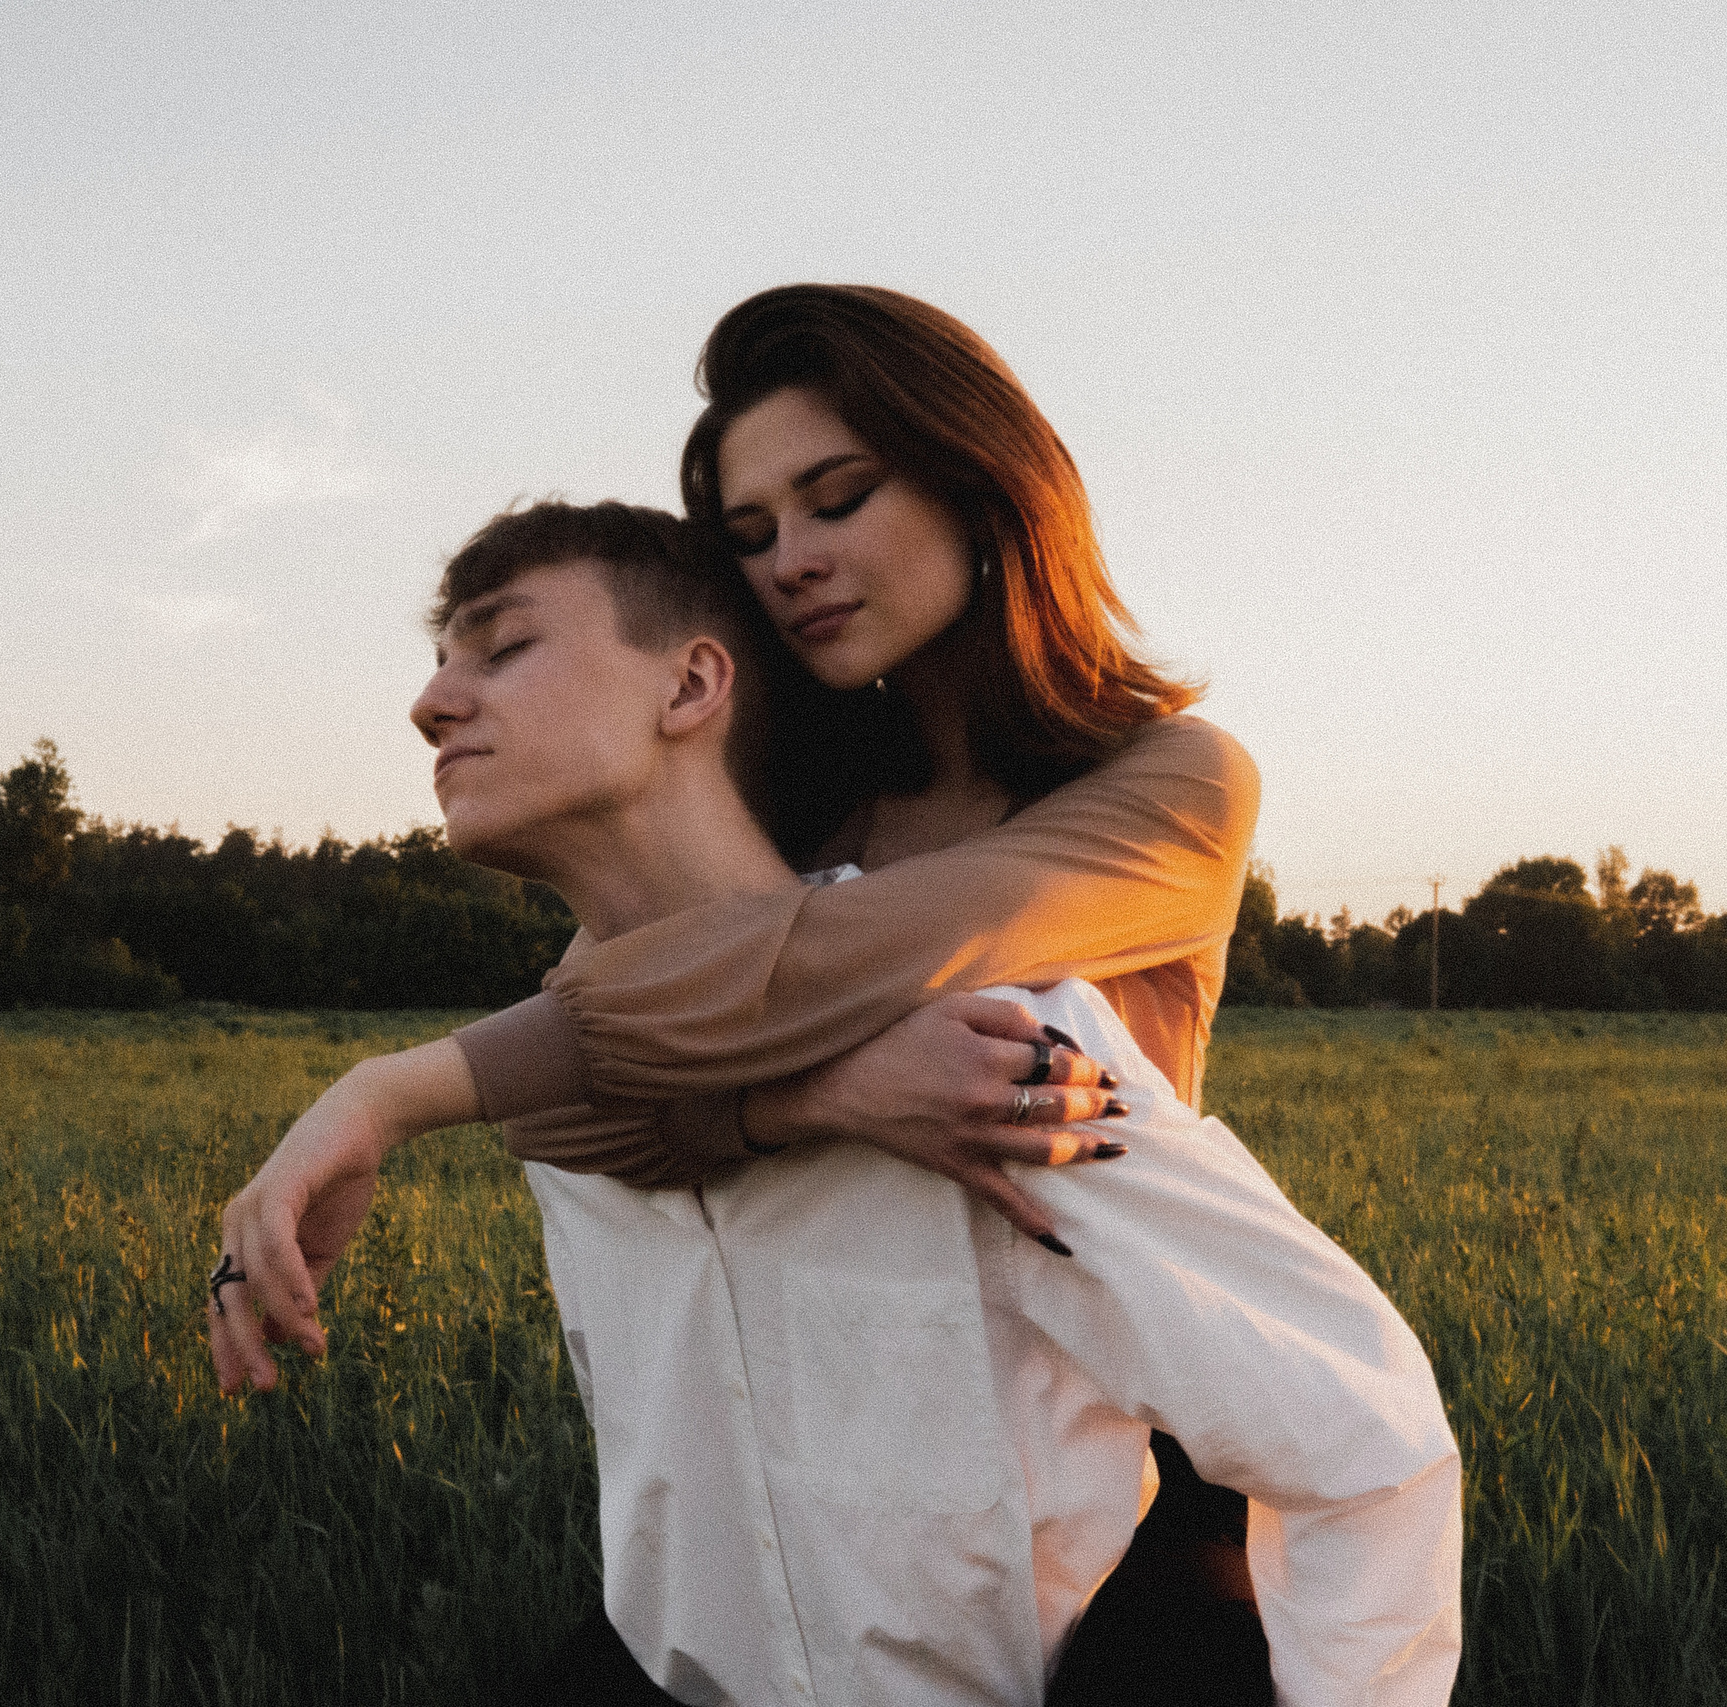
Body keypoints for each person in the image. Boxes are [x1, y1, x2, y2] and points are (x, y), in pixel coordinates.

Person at [210, 499, 1462, 1705]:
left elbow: (1362, 1443)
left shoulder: (999, 1054)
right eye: (440, 661)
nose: (430, 702)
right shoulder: (560, 1105)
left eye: (503, 646)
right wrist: (803, 1092)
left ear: (692, 685)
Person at [444, 285, 1296, 1691]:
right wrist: (822, 1096)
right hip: (835, 1463)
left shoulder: (1166, 782)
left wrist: (406, 1090)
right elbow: (559, 1102)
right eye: (751, 534)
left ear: (982, 485)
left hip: (1106, 1468)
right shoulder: (791, 815)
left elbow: (720, 1001)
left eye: (837, 499)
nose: (793, 561)